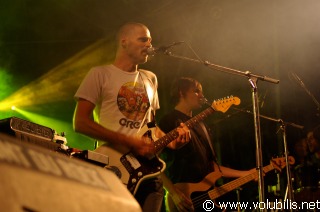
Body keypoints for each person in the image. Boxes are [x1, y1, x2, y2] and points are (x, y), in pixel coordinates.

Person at [73, 22, 190, 212]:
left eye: (151, 40)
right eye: (143, 39)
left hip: (149, 175)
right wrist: (129, 141)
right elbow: (81, 123)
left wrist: (171, 142)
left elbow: (151, 127)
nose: (149, 44)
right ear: (124, 42)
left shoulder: (150, 78)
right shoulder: (100, 74)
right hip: (113, 168)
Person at [159, 77, 257, 212]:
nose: (201, 95)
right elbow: (152, 162)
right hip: (182, 200)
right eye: (196, 91)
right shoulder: (167, 121)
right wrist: (173, 192)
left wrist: (246, 174)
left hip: (206, 199)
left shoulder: (202, 125)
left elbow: (212, 166)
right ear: (181, 93)